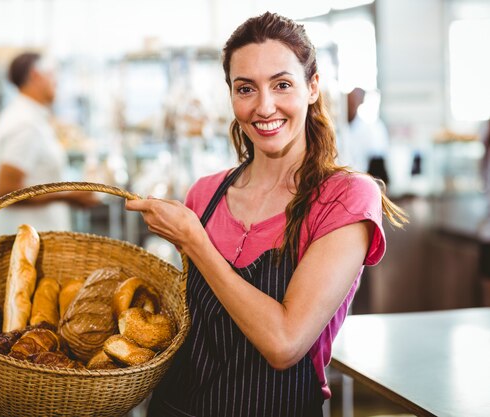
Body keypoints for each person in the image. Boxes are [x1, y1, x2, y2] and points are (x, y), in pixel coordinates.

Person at [126, 12, 407, 416]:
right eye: (246, 89)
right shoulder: (204, 193)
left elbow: (284, 343)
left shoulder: (344, 198)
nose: (264, 106)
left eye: (282, 84)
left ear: (312, 87)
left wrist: (195, 242)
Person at [0, 52, 98, 236]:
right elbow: (6, 190)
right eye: (52, 74)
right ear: (35, 75)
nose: (57, 81)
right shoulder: (25, 124)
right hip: (28, 242)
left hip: (34, 236)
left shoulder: (31, 118)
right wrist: (67, 196)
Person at [338, 87, 390, 185]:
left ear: (360, 102)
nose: (350, 105)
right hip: (342, 183)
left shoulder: (372, 129)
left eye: (353, 101)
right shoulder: (336, 128)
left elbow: (378, 165)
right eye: (348, 101)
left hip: (364, 184)